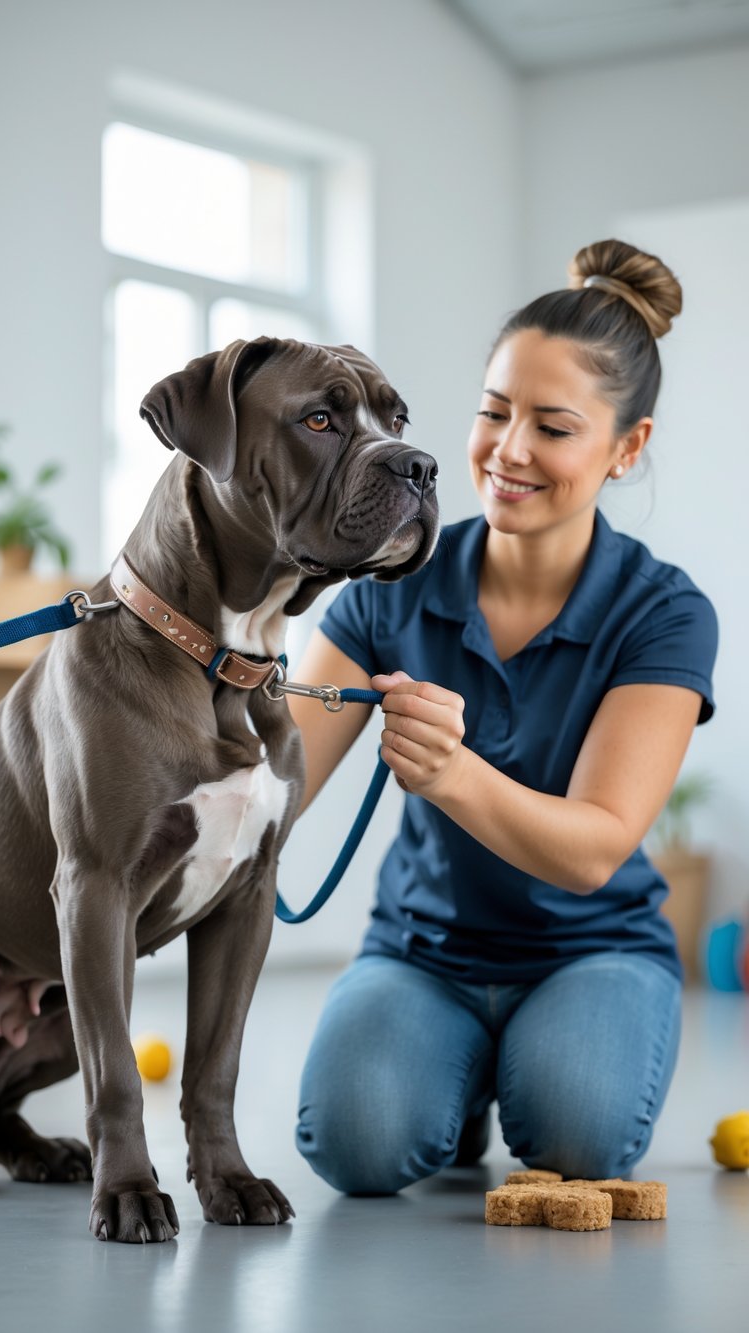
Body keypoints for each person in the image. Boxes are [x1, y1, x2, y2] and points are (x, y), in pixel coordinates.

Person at [287, 238, 718, 1195]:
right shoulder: (391, 584)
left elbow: (596, 847)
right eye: (493, 412)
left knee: (578, 1138)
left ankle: (517, 1061)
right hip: (421, 953)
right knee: (354, 1144)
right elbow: (273, 784)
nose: (508, 450)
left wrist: (452, 770)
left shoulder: (665, 613)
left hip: (591, 951)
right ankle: (453, 1069)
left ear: (627, 447)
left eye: (553, 427)